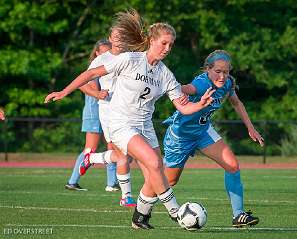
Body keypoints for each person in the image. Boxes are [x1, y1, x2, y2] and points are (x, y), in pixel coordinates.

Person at [44, 9, 215, 229]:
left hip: (145, 126)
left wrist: (199, 105)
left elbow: (182, 107)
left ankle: (140, 217)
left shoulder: (165, 74)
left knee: (155, 173)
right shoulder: (130, 59)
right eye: (163, 43)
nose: (167, 48)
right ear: (151, 41)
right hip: (121, 123)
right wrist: (64, 91)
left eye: (171, 45)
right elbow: (92, 73)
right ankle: (176, 212)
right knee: (153, 163)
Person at [150, 50, 263, 228]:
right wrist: (161, 82)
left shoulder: (228, 83)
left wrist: (251, 127)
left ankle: (238, 215)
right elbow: (184, 88)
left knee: (232, 166)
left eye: (226, 72)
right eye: (218, 71)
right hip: (181, 136)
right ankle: (143, 207)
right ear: (207, 69)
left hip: (203, 132)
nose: (222, 75)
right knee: (169, 180)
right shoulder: (201, 84)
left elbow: (236, 102)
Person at [77, 29, 137, 207]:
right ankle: (126, 196)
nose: (119, 40)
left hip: (129, 111)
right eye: (116, 37)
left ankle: (92, 159)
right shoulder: (101, 60)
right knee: (124, 155)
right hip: (110, 112)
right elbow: (83, 84)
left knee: (128, 155)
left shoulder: (130, 56)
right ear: (110, 39)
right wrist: (97, 93)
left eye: (123, 37)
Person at [65, 39, 120, 193]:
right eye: (102, 52)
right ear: (96, 53)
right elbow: (83, 85)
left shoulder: (112, 66)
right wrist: (97, 93)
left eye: (107, 52)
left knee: (112, 147)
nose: (105, 55)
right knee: (90, 148)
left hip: (109, 112)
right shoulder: (96, 67)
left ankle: (111, 183)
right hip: (93, 113)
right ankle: (72, 181)